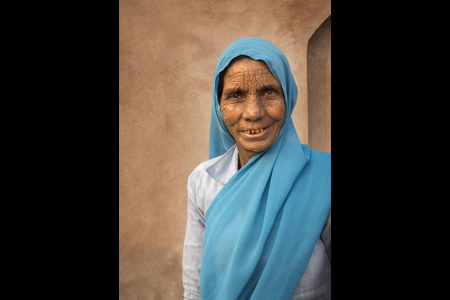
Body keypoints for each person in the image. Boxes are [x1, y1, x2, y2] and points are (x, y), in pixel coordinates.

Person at [182, 37, 331, 300]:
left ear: (289, 97)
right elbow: (194, 288)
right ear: (219, 107)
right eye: (236, 95)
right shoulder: (204, 181)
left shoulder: (323, 179)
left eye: (269, 92)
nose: (253, 112)